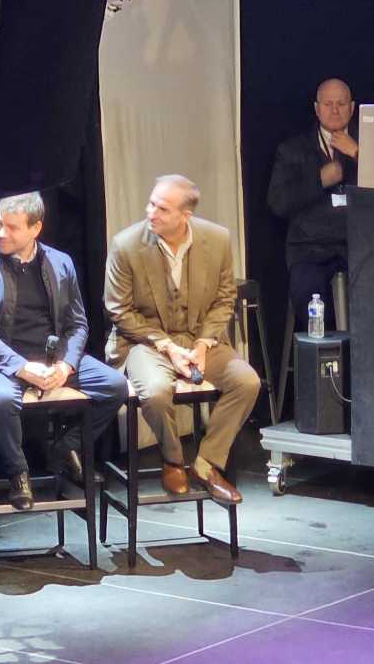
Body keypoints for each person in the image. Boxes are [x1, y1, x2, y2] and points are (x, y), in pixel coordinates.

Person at [0, 192, 127, 510]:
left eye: (11, 227)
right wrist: (22, 367)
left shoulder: (60, 263)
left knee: (115, 386)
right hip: (0, 364)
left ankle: (64, 448)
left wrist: (66, 366)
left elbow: (78, 325)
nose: (0, 232)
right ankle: (18, 472)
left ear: (36, 228)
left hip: (53, 359)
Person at [104, 175, 261, 506]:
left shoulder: (217, 239)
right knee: (156, 392)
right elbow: (119, 310)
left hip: (199, 339)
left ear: (185, 216)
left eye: (162, 209)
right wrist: (168, 347)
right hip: (146, 343)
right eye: (151, 204)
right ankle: (173, 460)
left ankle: (206, 463)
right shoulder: (126, 245)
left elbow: (224, 299)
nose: (151, 213)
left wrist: (203, 345)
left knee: (247, 382)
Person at [268, 77, 358, 332]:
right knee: (309, 296)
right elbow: (278, 203)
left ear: (352, 108)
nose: (335, 110)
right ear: (317, 109)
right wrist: (319, 180)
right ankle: (324, 356)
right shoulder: (292, 150)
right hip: (311, 248)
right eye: (328, 104)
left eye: (341, 104)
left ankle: (365, 356)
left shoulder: (368, 145)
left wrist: (358, 154)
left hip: (360, 246)